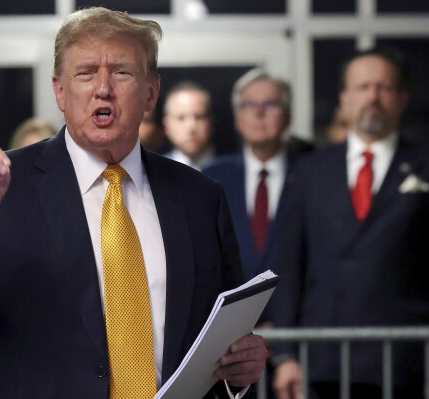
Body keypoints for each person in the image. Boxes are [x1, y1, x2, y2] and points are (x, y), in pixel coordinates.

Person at [0, 7, 267, 399]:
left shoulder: (200, 198)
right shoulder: (0, 188)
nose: (103, 88)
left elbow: (221, 337)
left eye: (122, 72)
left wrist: (237, 373)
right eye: (86, 72)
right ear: (59, 91)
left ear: (150, 93)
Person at [271, 47, 429, 399]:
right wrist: (284, 354)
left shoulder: (423, 164)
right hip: (322, 359)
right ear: (344, 98)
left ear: (402, 98)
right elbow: (288, 266)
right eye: (363, 87)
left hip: (406, 361)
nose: (372, 96)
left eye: (384, 87)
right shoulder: (309, 170)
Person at [203, 69, 312, 303]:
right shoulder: (212, 178)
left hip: (297, 322)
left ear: (288, 116)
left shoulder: (313, 174)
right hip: (231, 325)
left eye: (270, 104)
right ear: (237, 119)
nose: (259, 113)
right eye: (249, 105)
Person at [162, 81, 215, 171]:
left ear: (210, 122)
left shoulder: (233, 169)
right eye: (181, 118)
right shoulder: (153, 172)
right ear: (166, 126)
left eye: (199, 117)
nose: (191, 127)